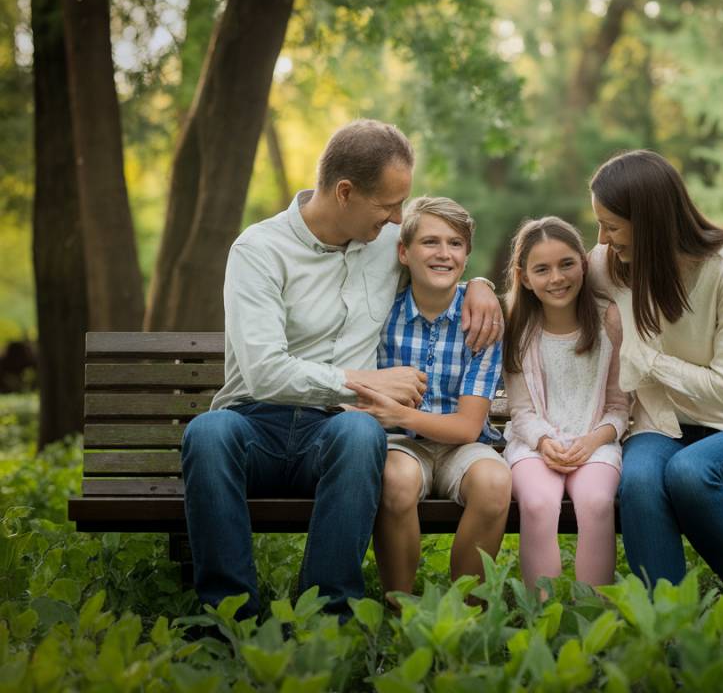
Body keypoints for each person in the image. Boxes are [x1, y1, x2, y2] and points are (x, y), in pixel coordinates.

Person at [180, 121, 503, 621]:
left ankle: (327, 617)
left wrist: (481, 284)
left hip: (332, 430)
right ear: (345, 192)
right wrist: (360, 380)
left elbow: (441, 257)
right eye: (390, 205)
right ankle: (228, 617)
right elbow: (263, 372)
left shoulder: (386, 242)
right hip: (255, 423)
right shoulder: (258, 251)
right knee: (207, 432)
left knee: (359, 431)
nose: (399, 217)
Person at [588, 149, 723, 600]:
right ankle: (669, 636)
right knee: (640, 481)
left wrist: (646, 359)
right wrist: (483, 290)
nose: (601, 239)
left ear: (649, 218)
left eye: (611, 224)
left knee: (690, 471)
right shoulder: (612, 263)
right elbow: (546, 279)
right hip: (660, 426)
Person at [348, 197, 510, 602]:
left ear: (467, 256)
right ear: (403, 252)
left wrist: (398, 411)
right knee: (395, 481)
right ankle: (399, 605)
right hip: (401, 445)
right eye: (429, 242)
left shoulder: (483, 322)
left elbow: (469, 426)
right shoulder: (379, 314)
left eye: (455, 244)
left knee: (495, 482)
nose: (443, 254)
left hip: (465, 445)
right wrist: (395, 418)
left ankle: (462, 609)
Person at [501, 217, 629, 591]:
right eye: (542, 269)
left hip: (597, 443)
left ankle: (594, 618)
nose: (556, 278)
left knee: (597, 502)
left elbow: (620, 406)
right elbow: (522, 411)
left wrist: (592, 441)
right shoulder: (517, 328)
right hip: (534, 445)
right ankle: (544, 619)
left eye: (566, 264)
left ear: (584, 265)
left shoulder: (610, 322)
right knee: (539, 504)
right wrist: (544, 442)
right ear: (524, 277)